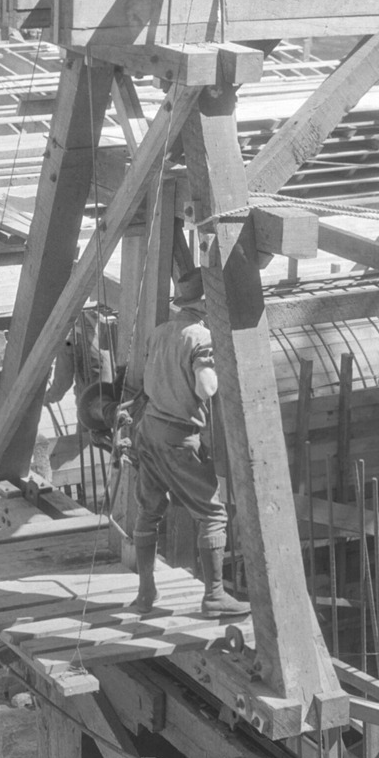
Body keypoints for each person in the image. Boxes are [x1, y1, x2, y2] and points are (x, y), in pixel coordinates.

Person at [120, 256, 250, 620]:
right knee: (213, 512)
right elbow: (207, 388)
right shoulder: (201, 337)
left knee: (149, 511)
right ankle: (214, 597)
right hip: (179, 438)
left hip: (149, 433)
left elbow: (148, 381)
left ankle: (146, 593)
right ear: (207, 304)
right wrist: (222, 367)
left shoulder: (159, 332)